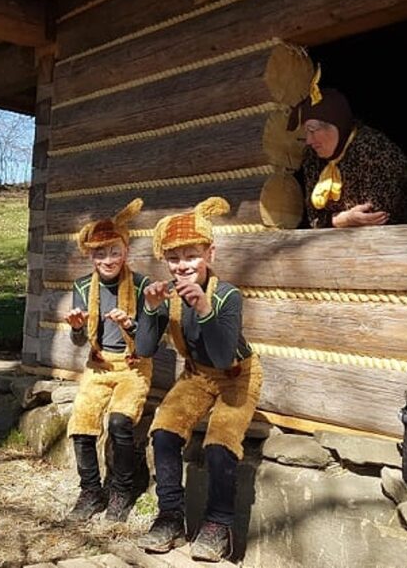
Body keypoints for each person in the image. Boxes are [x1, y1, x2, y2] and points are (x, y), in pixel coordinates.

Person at [134, 197, 262, 562]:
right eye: (173, 258)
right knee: (163, 431)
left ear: (210, 253)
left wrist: (204, 309)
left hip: (237, 374)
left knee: (220, 442)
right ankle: (170, 517)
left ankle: (218, 526)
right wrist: (150, 310)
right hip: (196, 376)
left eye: (191, 256)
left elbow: (223, 355)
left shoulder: (227, 295)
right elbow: (144, 348)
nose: (182, 265)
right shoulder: (169, 295)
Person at [65, 198, 153, 523]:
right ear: (90, 255)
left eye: (114, 251)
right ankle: (90, 491)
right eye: (100, 253)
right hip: (99, 364)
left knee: (119, 423)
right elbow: (79, 340)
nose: (108, 259)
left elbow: (150, 340)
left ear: (126, 250)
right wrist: (76, 329)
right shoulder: (82, 286)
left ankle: (122, 491)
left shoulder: (142, 285)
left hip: (133, 365)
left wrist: (130, 324)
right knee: (82, 424)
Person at [288, 81, 407, 228]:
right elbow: (314, 218)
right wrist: (342, 220)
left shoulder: (372, 148)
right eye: (306, 132)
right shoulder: (312, 158)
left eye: (313, 129)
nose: (309, 140)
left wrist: (339, 220)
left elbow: (377, 215)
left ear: (336, 125)